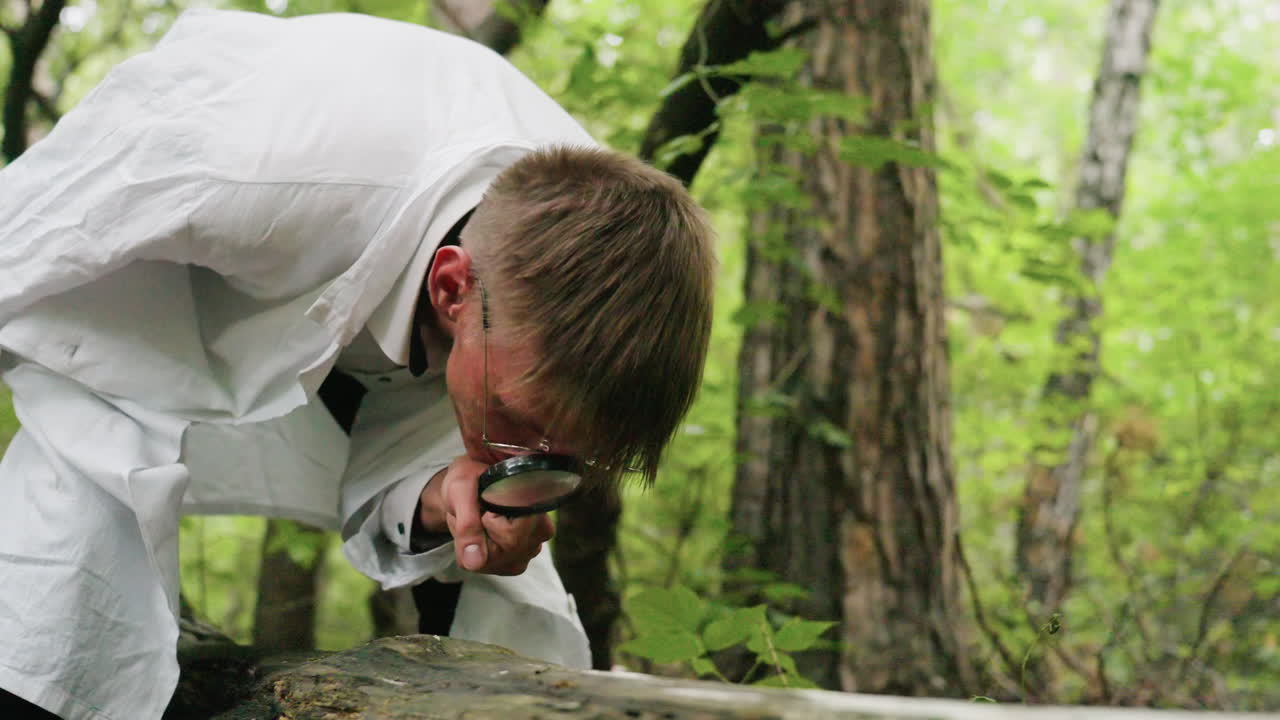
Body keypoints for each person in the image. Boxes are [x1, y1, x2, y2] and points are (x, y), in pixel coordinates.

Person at [0, 9, 715, 719]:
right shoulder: (249, 167)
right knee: (68, 578)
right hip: (157, 288)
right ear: (450, 290)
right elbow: (28, 239)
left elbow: (414, 424)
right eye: (522, 425)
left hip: (413, 298)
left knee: (523, 616)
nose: (525, 461)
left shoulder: (564, 270)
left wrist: (442, 500)